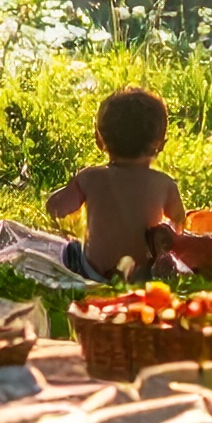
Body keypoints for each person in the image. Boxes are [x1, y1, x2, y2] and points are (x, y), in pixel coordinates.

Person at [46, 86, 186, 280]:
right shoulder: (164, 184)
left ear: (98, 139)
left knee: (71, 249)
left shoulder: (90, 178)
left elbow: (57, 208)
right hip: (141, 275)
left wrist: (53, 199)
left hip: (93, 271)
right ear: (161, 143)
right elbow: (178, 221)